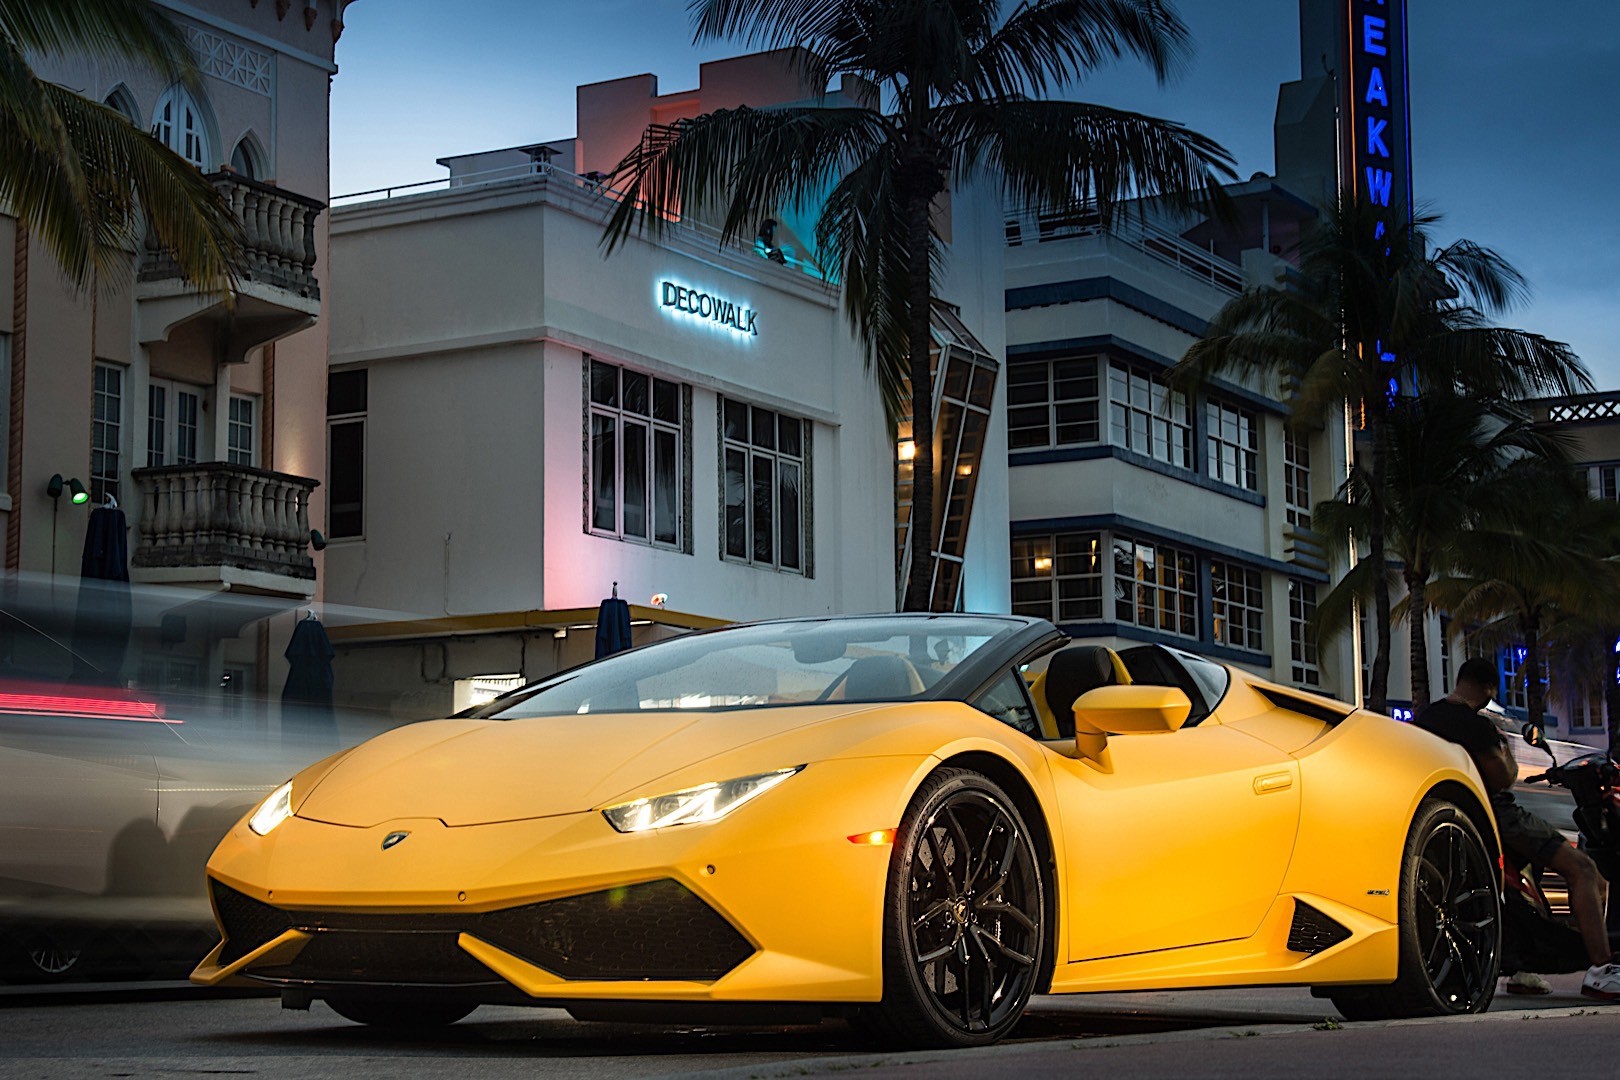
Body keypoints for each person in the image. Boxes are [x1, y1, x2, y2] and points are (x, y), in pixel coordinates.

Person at [1414, 657, 1620, 1001]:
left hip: (1452, 819)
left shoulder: (1427, 719)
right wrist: (1505, 749)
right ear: (1489, 689)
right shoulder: (1478, 726)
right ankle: (1601, 968)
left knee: (1529, 875)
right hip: (1498, 815)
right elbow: (1504, 776)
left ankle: (1524, 968)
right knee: (1582, 869)